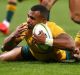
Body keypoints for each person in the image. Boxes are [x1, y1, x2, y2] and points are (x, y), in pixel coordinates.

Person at [0, 4, 75, 62]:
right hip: (32, 52)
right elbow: (6, 47)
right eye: (28, 16)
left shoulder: (52, 27)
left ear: (43, 21)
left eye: (32, 18)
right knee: (2, 58)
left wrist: (46, 41)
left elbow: (71, 45)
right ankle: (18, 48)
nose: (28, 20)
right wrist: (13, 36)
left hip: (56, 56)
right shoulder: (24, 27)